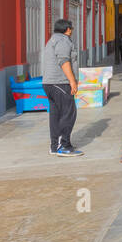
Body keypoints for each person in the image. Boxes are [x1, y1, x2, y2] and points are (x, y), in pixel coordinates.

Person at [41, 19, 83, 157]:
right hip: (60, 83)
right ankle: (62, 145)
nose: (72, 30)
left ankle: (55, 146)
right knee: (68, 113)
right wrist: (72, 81)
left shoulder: (52, 40)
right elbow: (64, 61)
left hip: (49, 83)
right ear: (67, 29)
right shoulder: (64, 41)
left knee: (56, 115)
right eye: (71, 28)